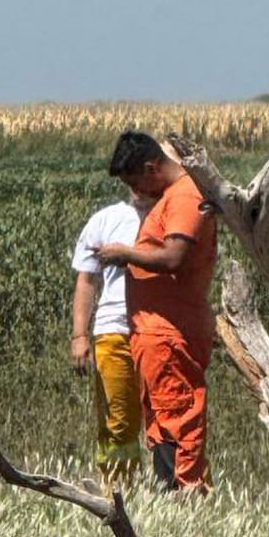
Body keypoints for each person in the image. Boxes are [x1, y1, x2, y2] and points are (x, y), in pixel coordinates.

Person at [96, 130, 216, 493]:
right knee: (163, 423)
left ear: (152, 168)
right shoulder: (172, 196)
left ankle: (185, 496)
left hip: (169, 334)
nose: (137, 192)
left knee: (177, 420)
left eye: (136, 182)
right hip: (156, 334)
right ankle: (171, 495)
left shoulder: (184, 196)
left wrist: (125, 254)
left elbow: (173, 257)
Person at [69, 194, 145, 481]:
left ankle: (172, 491)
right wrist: (80, 335)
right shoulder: (106, 219)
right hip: (113, 330)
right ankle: (117, 489)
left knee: (167, 416)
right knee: (117, 421)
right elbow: (86, 280)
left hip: (157, 329)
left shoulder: (171, 213)